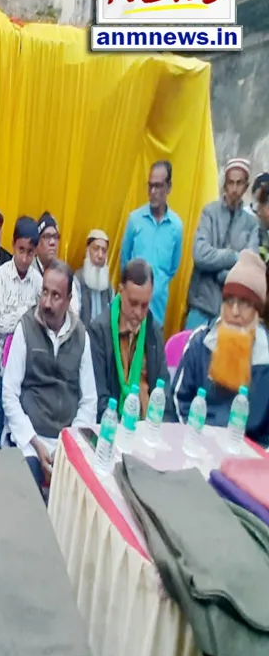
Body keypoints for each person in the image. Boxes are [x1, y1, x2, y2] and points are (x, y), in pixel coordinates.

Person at [1, 261, 97, 497]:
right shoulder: (26, 328)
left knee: (82, 496)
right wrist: (35, 442)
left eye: (55, 296)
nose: (46, 302)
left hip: (67, 440)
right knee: (26, 493)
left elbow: (89, 401)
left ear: (68, 299)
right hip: (30, 439)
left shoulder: (81, 336)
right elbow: (9, 394)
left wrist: (68, 445)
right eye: (44, 292)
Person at [173, 250, 269, 442]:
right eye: (228, 301)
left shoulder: (265, 358)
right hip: (196, 445)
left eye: (244, 304)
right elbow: (178, 401)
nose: (234, 312)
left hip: (248, 459)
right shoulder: (200, 344)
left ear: (258, 312)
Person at [88, 259, 168, 420]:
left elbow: (164, 392)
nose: (138, 313)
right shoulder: (100, 331)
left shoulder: (153, 332)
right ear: (121, 291)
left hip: (148, 429)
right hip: (112, 426)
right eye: (133, 303)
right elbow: (98, 397)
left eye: (145, 305)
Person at [188, 157, 258, 330]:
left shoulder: (251, 224)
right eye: (230, 183)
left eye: (239, 183)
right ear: (224, 184)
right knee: (188, 353)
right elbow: (200, 254)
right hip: (201, 306)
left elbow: (248, 270)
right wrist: (233, 256)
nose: (234, 189)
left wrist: (219, 272)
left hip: (232, 313)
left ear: (246, 187)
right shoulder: (209, 213)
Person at [119, 160, 183, 326]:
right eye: (150, 186)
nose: (153, 192)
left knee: (152, 351)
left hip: (157, 311)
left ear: (169, 188)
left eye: (159, 186)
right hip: (131, 312)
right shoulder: (135, 220)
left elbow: (172, 269)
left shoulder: (176, 227)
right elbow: (124, 260)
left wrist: (158, 286)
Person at [0, 215, 43, 359]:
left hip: (24, 358)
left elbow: (39, 324)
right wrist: (27, 312)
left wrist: (15, 319)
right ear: (13, 244)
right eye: (21, 250)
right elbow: (0, 324)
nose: (25, 258)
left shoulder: (38, 281)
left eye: (30, 252)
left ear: (36, 251)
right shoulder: (2, 274)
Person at [35, 211, 80, 320]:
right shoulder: (28, 271)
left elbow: (74, 313)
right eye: (47, 237)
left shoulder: (65, 274)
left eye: (55, 237)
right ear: (37, 242)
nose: (52, 242)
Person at [76, 229, 113, 327]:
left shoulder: (109, 286)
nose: (100, 255)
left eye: (104, 251)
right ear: (88, 250)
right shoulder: (77, 280)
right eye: (96, 249)